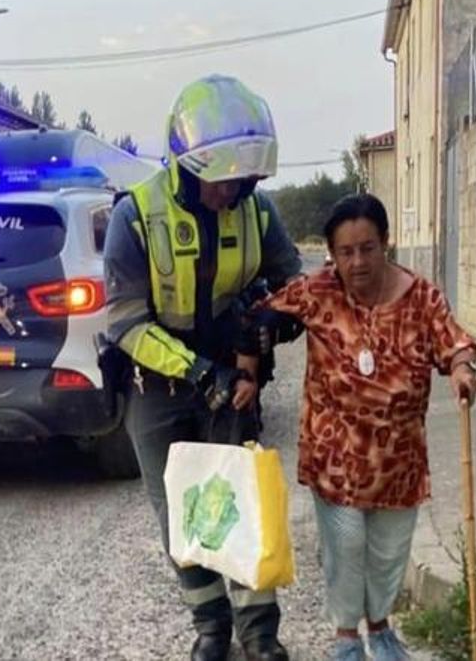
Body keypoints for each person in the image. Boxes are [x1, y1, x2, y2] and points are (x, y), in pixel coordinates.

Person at [103, 75, 302, 661]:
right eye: (223, 181)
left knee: (241, 498)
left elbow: (296, 284)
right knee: (180, 511)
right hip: (158, 382)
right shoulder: (135, 216)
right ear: (187, 167)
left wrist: (270, 325)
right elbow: (127, 322)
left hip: (232, 377)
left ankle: (260, 635)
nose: (234, 191)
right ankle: (210, 627)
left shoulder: (256, 212)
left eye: (244, 180)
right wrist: (200, 374)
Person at [256, 194, 476, 661]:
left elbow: (453, 342)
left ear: (385, 243)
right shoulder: (318, 291)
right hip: (334, 455)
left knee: (388, 553)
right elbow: (260, 317)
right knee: (346, 545)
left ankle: (379, 627)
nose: (357, 261)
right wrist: (243, 367)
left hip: (398, 460)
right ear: (332, 254)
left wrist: (462, 371)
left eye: (367, 248)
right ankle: (344, 635)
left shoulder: (421, 297)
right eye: (345, 252)